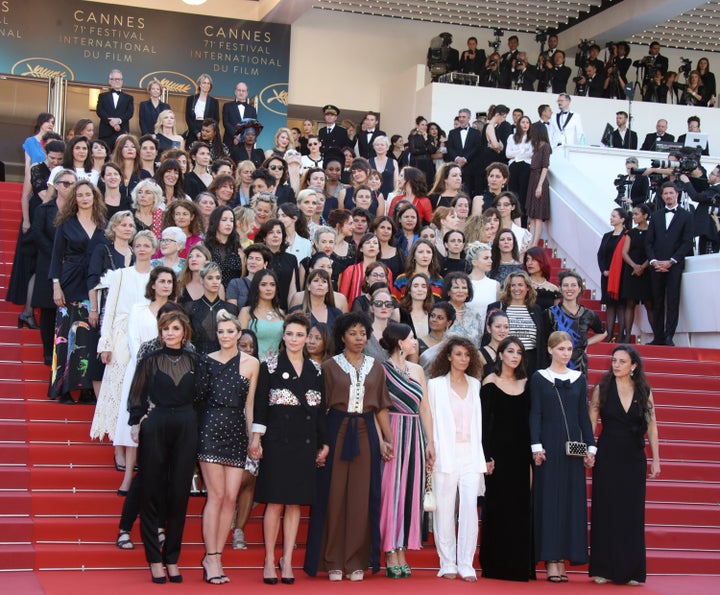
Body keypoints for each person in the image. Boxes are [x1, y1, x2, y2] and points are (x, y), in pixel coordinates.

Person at [304, 312, 394, 582]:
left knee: (360, 499)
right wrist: (321, 444)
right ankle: (332, 560)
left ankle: (356, 561)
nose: (359, 338)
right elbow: (321, 410)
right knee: (333, 497)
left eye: (363, 334)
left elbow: (380, 410)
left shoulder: (376, 367)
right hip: (335, 431)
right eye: (353, 333)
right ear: (342, 336)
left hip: (366, 434)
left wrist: (387, 440)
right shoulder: (329, 366)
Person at [249, 312, 327, 584]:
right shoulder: (269, 365)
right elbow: (260, 406)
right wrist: (256, 439)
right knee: (275, 502)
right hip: (277, 442)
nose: (294, 339)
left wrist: (323, 443)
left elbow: (320, 411)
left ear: (308, 339)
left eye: (300, 335)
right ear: (283, 335)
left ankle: (288, 561)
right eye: (290, 334)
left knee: (295, 504)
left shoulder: (316, 370)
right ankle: (270, 559)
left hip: (304, 443)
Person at [127, 310, 204, 584]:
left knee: (179, 494)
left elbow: (202, 398)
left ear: (184, 332)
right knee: (149, 490)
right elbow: (136, 394)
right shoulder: (150, 359)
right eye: (165, 329)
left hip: (186, 425)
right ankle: (154, 559)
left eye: (174, 328)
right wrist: (138, 421)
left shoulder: (196, 361)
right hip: (156, 425)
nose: (169, 333)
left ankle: (172, 558)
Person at [589, 345, 660, 586]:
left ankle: (632, 570)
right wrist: (589, 451)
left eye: (622, 361)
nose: (616, 364)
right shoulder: (602, 389)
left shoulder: (644, 391)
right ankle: (602, 568)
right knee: (605, 509)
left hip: (634, 457)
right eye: (614, 360)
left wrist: (656, 459)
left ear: (633, 366)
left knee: (631, 513)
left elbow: (651, 425)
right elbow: (591, 423)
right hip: (607, 455)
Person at [91, 230, 156, 492]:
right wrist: (105, 343)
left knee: (141, 394)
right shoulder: (120, 275)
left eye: (146, 245)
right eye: (137, 245)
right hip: (120, 337)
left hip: (147, 337)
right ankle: (119, 450)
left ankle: (137, 446)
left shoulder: (158, 276)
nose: (141, 249)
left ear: (153, 249)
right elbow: (110, 310)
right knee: (119, 394)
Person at [198, 309, 259, 585]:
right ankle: (211, 557)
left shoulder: (251, 364)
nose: (224, 336)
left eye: (230, 331)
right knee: (217, 495)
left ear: (239, 334)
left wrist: (253, 438)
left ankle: (217, 555)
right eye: (220, 332)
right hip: (210, 428)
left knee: (231, 499)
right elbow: (199, 401)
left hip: (236, 432)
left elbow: (250, 405)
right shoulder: (206, 361)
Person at [530, 331, 596, 583]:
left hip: (573, 448)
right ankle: (551, 560)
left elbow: (584, 416)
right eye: (561, 349)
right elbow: (535, 413)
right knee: (549, 502)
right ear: (549, 350)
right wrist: (536, 446)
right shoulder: (539, 378)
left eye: (569, 349)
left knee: (570, 502)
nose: (566, 353)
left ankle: (564, 558)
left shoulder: (579, 378)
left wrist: (591, 447)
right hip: (547, 447)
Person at [427, 336, 486, 581]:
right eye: (458, 354)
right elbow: (429, 419)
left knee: (470, 509)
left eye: (466, 354)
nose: (463, 358)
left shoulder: (475, 384)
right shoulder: (435, 385)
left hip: (471, 453)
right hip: (445, 452)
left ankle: (466, 563)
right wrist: (430, 447)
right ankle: (447, 562)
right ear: (448, 356)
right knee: (444, 509)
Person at [378, 323, 434, 578]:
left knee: (409, 492)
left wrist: (430, 441)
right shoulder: (381, 370)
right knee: (391, 492)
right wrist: (382, 440)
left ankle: (402, 548)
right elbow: (376, 408)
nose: (416, 342)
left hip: (415, 435)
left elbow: (424, 408)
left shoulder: (418, 370)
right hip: (393, 432)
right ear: (400, 342)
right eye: (411, 338)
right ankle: (390, 549)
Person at [479, 337, 534, 581]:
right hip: (497, 455)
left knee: (521, 507)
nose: (514, 356)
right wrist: (486, 455)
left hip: (521, 455)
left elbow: (531, 422)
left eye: (519, 352)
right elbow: (483, 424)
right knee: (497, 507)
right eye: (510, 351)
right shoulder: (489, 382)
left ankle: (519, 566)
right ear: (500, 354)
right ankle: (495, 565)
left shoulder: (527, 382)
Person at [49, 180, 107, 403]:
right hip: (70, 281)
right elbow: (56, 256)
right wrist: (56, 285)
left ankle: (86, 388)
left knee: (90, 337)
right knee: (67, 335)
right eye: (80, 195)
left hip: (95, 284)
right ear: (75, 198)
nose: (84, 198)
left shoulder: (103, 223)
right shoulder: (66, 223)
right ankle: (64, 387)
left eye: (88, 194)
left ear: (95, 197)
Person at [645, 183, 694, 346]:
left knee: (672, 301)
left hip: (674, 265)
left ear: (677, 195)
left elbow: (687, 242)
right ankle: (658, 336)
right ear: (662, 196)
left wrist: (671, 261)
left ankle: (669, 336)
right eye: (665, 193)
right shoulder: (656, 215)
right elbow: (649, 242)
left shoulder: (686, 216)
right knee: (657, 301)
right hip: (656, 266)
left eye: (671, 193)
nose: (668, 196)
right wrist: (653, 261)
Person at [487, 270, 546, 378]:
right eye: (512, 285)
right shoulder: (496, 307)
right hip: (504, 361)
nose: (516, 289)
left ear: (527, 287)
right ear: (508, 288)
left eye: (520, 285)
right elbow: (488, 336)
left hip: (530, 362)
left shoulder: (536, 309)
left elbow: (541, 341)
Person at [547, 270, 607, 374]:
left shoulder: (588, 314)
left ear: (579, 289)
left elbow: (603, 332)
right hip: (555, 365)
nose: (569, 288)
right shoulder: (550, 313)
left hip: (579, 366)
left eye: (573, 285)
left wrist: (586, 343)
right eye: (565, 285)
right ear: (560, 289)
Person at [186, 262, 239, 354]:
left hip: (224, 361)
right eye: (210, 278)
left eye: (218, 278)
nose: (215, 281)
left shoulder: (231, 309)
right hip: (196, 361)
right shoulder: (189, 308)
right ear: (202, 281)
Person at [621, 204, 654, 337]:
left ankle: (658, 335)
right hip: (631, 271)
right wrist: (635, 266)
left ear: (645, 216)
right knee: (630, 303)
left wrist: (643, 267)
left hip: (647, 271)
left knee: (649, 303)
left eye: (636, 214)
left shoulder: (652, 232)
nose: (633, 217)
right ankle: (628, 335)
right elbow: (624, 252)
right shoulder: (631, 233)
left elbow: (653, 251)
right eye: (633, 214)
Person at [239, 269, 285, 361]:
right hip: (251, 365)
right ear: (256, 287)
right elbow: (240, 343)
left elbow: (283, 346)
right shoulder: (246, 312)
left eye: (272, 284)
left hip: (275, 368)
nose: (269, 288)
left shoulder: (281, 313)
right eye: (263, 284)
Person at [597, 207, 628, 342]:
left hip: (621, 276)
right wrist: (604, 270)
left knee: (621, 305)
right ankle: (609, 335)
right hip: (607, 275)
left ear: (622, 219)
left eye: (614, 216)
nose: (611, 218)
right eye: (611, 216)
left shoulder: (627, 235)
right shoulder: (607, 236)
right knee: (609, 305)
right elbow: (600, 255)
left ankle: (620, 335)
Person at [526, 122, 552, 249]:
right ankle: (531, 241)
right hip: (532, 178)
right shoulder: (535, 146)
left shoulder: (545, 147)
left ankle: (535, 243)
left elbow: (545, 167)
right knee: (532, 215)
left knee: (538, 215)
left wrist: (540, 185)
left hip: (538, 179)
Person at [446, 109, 482, 196]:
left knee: (469, 191)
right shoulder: (452, 132)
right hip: (456, 166)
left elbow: (477, 147)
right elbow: (450, 147)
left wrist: (465, 158)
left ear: (469, 118)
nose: (461, 119)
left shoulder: (476, 133)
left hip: (471, 166)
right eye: (460, 117)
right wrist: (457, 158)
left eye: (463, 117)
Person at [443, 271, 483, 345]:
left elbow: (479, 341)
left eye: (464, 288)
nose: (460, 291)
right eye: (456, 287)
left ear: (468, 293)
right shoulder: (441, 312)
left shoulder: (475, 315)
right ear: (448, 291)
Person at [96, 69, 134, 149]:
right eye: (114, 79)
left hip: (122, 133)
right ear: (110, 81)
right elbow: (100, 111)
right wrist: (111, 121)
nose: (117, 81)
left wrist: (119, 120)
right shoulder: (102, 96)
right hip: (105, 134)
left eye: (119, 79)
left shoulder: (129, 98)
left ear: (122, 81)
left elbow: (129, 113)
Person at [221, 82, 257, 160]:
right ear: (235, 91)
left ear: (247, 93)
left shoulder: (252, 110)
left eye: (243, 91)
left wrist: (241, 137)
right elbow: (226, 123)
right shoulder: (227, 106)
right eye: (239, 90)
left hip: (246, 144)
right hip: (230, 141)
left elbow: (253, 126)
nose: (241, 92)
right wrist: (236, 135)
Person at [185, 74, 220, 144]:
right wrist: (196, 132)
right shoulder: (191, 99)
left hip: (208, 133)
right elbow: (188, 117)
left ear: (210, 86)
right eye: (204, 83)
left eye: (208, 83)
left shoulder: (214, 102)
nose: (206, 85)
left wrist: (208, 132)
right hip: (193, 131)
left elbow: (216, 119)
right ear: (199, 85)